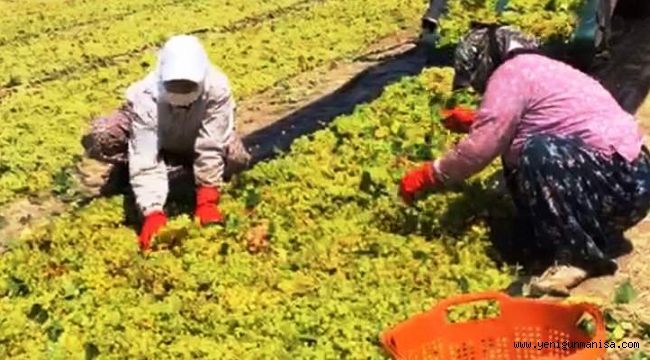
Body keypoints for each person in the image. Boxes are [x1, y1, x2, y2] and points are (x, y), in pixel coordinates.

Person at [398, 24, 650, 296]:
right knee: (527, 148)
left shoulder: (509, 76)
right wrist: (476, 119)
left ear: (484, 60)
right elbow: (544, 116)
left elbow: (479, 150)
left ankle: (578, 259)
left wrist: (430, 174)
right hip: (630, 181)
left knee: (535, 152)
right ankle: (584, 236)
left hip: (619, 182)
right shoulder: (539, 68)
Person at [80, 35, 251, 251]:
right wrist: (152, 212)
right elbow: (145, 155)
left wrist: (207, 196)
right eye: (175, 85)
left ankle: (189, 176)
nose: (181, 91)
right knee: (104, 135)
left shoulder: (217, 89)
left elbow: (211, 144)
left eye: (187, 86)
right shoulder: (147, 95)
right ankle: (127, 169)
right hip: (160, 140)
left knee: (236, 157)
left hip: (194, 139)